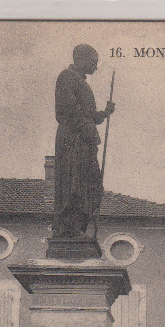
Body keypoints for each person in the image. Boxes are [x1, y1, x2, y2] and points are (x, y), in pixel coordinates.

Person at [54, 44, 115, 238]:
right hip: (73, 140)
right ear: (81, 59)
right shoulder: (66, 78)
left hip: (84, 140)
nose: (96, 67)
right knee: (75, 183)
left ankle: (79, 227)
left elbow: (88, 116)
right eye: (94, 62)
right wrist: (89, 131)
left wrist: (104, 114)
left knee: (92, 185)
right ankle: (69, 228)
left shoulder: (81, 81)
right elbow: (70, 111)